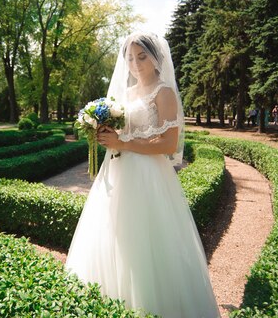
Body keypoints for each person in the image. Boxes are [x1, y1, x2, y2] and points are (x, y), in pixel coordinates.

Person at [65, 32, 220, 317]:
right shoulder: (126, 94)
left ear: (155, 56)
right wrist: (105, 131)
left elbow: (169, 144)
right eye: (130, 57)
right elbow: (126, 131)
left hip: (149, 176)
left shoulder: (164, 92)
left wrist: (123, 143)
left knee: (146, 240)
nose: (135, 63)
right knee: (115, 235)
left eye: (141, 56)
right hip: (118, 171)